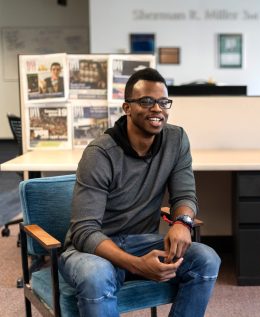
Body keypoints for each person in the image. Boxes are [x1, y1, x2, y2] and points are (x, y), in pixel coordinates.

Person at [59, 67, 221, 317]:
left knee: (207, 259)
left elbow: (185, 195)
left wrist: (183, 222)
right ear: (127, 108)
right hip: (95, 248)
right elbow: (84, 231)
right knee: (96, 275)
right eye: (146, 101)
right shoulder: (100, 154)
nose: (157, 109)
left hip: (141, 241)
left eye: (163, 102)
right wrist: (137, 265)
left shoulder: (176, 140)